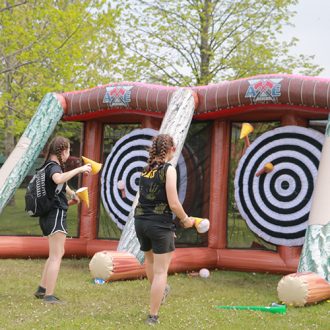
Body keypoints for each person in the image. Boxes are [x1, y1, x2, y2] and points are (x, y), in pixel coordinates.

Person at [134, 134, 195, 325]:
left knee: (150, 262)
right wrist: (185, 220)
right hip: (159, 224)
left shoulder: (146, 170)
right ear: (172, 150)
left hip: (141, 222)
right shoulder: (169, 170)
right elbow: (174, 203)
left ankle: (158, 293)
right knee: (161, 272)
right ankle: (153, 316)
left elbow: (144, 199)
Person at [33, 136, 92, 304]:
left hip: (49, 215)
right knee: (56, 255)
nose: (69, 154)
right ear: (63, 151)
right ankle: (49, 296)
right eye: (68, 151)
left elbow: (58, 186)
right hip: (55, 216)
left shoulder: (46, 167)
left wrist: (72, 194)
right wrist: (79, 170)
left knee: (55, 254)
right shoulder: (54, 168)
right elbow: (58, 179)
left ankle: (42, 289)